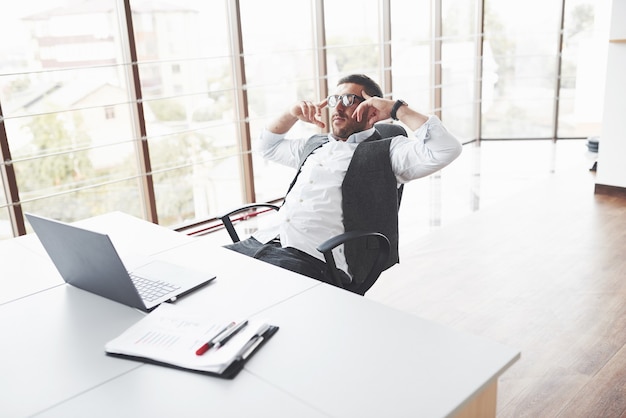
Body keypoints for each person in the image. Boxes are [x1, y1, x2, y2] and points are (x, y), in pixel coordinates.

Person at [224, 74, 462, 288]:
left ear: (371, 110)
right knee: (204, 275)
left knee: (246, 297)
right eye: (333, 100)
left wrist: (395, 109)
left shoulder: (389, 152)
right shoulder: (315, 145)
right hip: (260, 241)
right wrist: (291, 113)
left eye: (348, 100)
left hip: (309, 257)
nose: (337, 107)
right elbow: (267, 147)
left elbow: (446, 149)